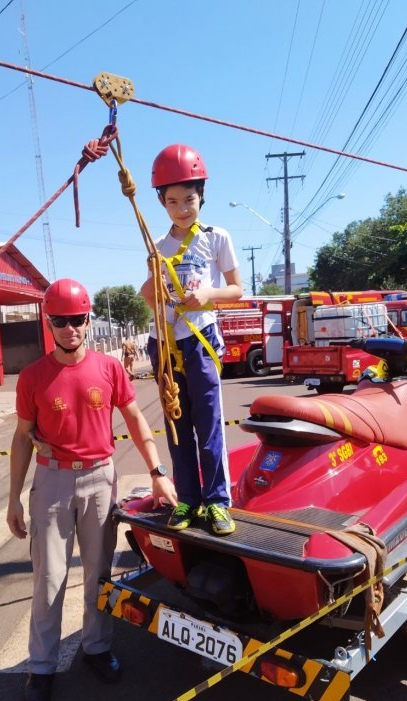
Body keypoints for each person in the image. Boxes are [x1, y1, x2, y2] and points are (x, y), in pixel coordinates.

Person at [7, 278, 177, 701]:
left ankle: (97, 647)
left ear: (88, 320)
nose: (69, 328)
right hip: (53, 483)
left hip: (100, 479)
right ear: (49, 323)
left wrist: (158, 473)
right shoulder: (32, 377)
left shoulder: (109, 368)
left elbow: (136, 418)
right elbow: (23, 438)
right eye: (60, 321)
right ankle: (41, 668)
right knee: (49, 579)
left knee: (99, 574)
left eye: (77, 319)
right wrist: (14, 498)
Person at [140, 144, 243, 536]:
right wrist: (155, 284)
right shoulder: (158, 248)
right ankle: (188, 499)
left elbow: (236, 289)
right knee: (177, 425)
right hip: (165, 343)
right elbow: (148, 295)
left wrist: (207, 296)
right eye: (173, 201)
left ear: (201, 197)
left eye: (189, 199)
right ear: (162, 203)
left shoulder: (217, 238)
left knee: (209, 424)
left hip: (200, 338)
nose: (182, 208)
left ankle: (217, 501)